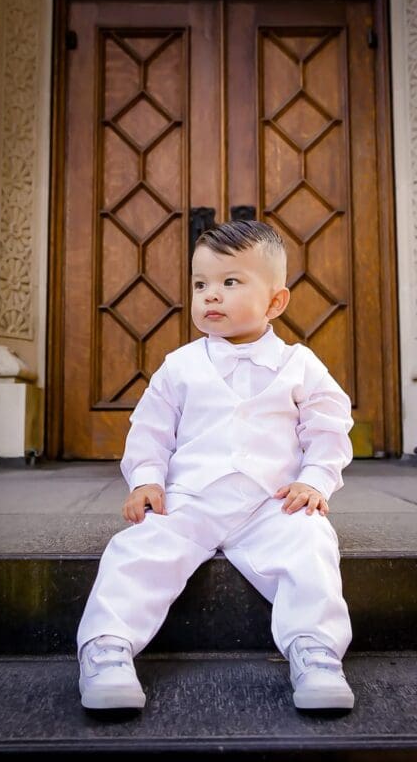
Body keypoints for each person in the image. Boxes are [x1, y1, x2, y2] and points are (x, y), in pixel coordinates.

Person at [77, 220, 355, 712]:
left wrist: (314, 481)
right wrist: (146, 480)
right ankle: (107, 650)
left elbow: (329, 430)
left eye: (230, 282)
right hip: (190, 501)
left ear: (275, 302)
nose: (211, 296)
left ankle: (316, 652)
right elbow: (151, 430)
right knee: (137, 548)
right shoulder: (179, 365)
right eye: (201, 284)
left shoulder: (300, 365)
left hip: (272, 504)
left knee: (311, 545)